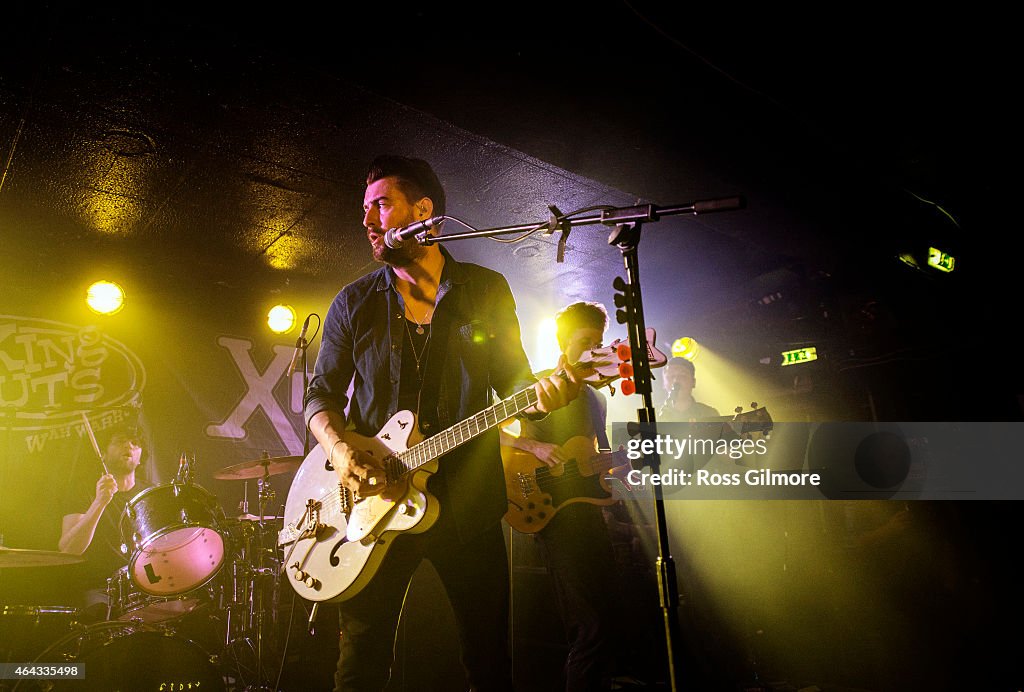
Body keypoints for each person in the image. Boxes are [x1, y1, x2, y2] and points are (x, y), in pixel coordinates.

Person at [303, 154, 581, 691]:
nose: (367, 221)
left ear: (423, 210)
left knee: (488, 660)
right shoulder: (353, 302)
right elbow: (320, 397)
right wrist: (340, 453)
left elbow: (516, 383)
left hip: (467, 504)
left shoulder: (484, 290)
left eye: (380, 205)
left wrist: (546, 396)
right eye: (365, 208)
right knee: (360, 662)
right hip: (371, 504)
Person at [499, 301, 623, 691]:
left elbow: (593, 459)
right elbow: (489, 435)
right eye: (586, 341)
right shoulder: (533, 386)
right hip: (548, 511)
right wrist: (534, 449)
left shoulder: (596, 400)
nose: (594, 350)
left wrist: (617, 466)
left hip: (586, 512)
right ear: (563, 346)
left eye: (599, 342)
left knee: (612, 616)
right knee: (591, 626)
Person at [58, 422, 149, 620]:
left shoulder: (150, 494)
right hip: (100, 590)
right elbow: (69, 549)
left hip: (147, 586)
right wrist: (100, 502)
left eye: (135, 443)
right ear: (103, 453)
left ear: (141, 457)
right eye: (120, 441)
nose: (129, 447)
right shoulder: (84, 491)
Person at [657, 356, 720, 422]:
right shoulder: (653, 415)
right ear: (663, 383)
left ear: (693, 382)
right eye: (671, 376)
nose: (676, 380)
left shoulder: (709, 414)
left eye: (682, 376)